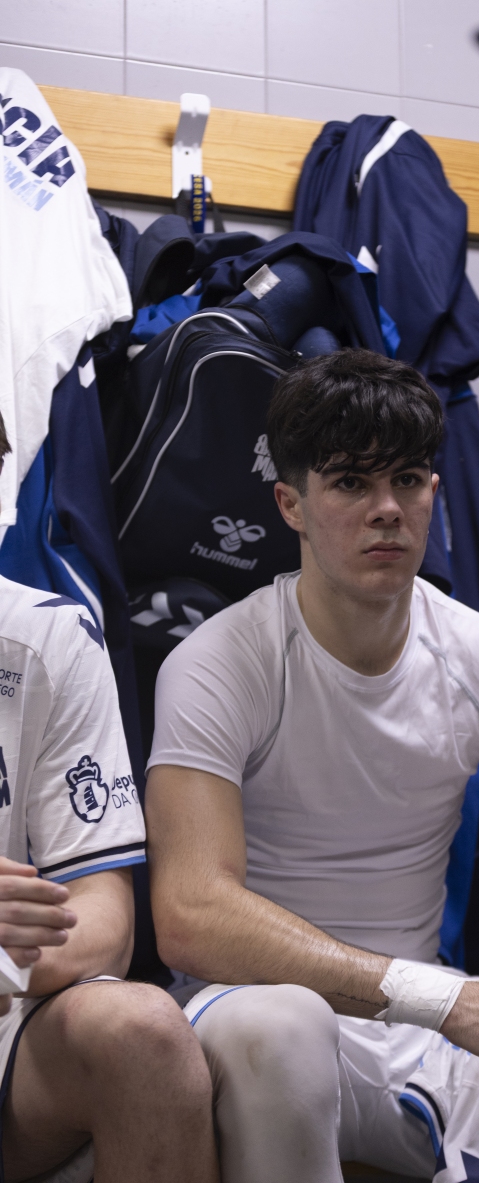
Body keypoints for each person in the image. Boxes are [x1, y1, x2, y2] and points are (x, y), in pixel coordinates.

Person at [146, 349, 479, 1183]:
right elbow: (191, 912)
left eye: (408, 480)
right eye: (351, 483)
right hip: (253, 1021)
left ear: (434, 492)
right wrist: (446, 1000)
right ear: (291, 504)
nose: (386, 509)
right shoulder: (220, 664)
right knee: (283, 1029)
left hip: (424, 1039)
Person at [0, 411, 218, 1183]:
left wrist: (5, 965)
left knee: (145, 1031)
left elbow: (104, 922)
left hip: (7, 1011)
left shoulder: (50, 638)